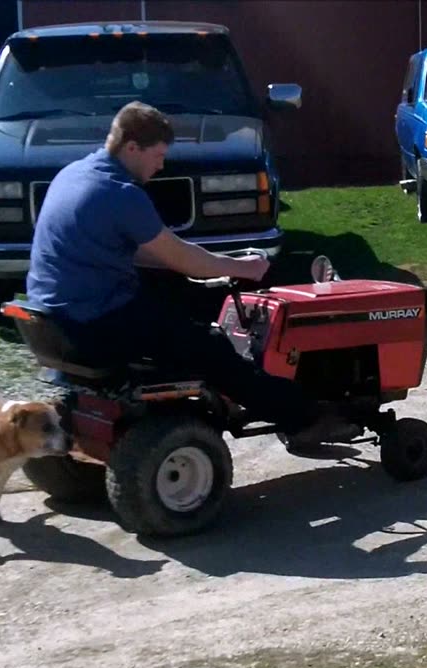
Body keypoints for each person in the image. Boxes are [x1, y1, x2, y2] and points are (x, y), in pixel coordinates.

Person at [25, 101, 357, 446]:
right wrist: (246, 267)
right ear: (132, 147)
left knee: (175, 295)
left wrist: (206, 263)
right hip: (94, 323)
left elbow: (146, 253)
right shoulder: (120, 194)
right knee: (209, 348)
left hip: (56, 317)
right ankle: (301, 416)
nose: (161, 164)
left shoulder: (74, 175)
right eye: (157, 155)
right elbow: (185, 260)